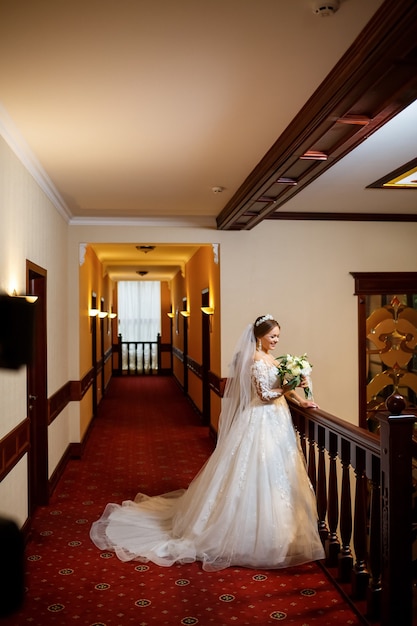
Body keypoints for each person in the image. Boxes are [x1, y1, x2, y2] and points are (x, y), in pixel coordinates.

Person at [90, 315, 325, 571]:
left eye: (278, 336)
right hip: (260, 419)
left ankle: (283, 534)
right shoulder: (255, 360)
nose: (276, 341)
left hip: (278, 420)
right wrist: (287, 385)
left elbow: (282, 388)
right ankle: (249, 536)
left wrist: (302, 400)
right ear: (259, 336)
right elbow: (264, 394)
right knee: (254, 471)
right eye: (272, 336)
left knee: (279, 472)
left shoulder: (272, 359)